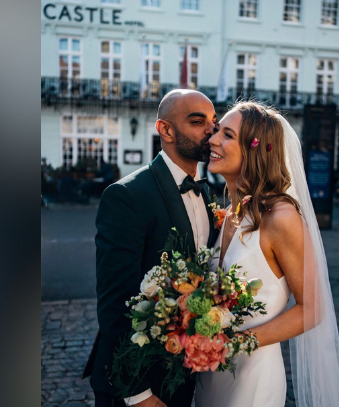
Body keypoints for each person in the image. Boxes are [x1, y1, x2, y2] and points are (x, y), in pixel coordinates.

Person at [195, 101, 339, 407]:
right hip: (213, 373)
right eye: (217, 131)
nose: (212, 139)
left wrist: (234, 344)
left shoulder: (280, 218)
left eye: (227, 135)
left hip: (253, 377)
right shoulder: (231, 214)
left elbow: (313, 308)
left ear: (254, 150)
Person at [83, 89, 220, 407]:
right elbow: (115, 303)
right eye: (198, 121)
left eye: (214, 121)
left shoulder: (211, 194)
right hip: (137, 382)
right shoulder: (126, 196)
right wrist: (138, 393)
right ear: (166, 130)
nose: (211, 130)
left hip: (184, 373)